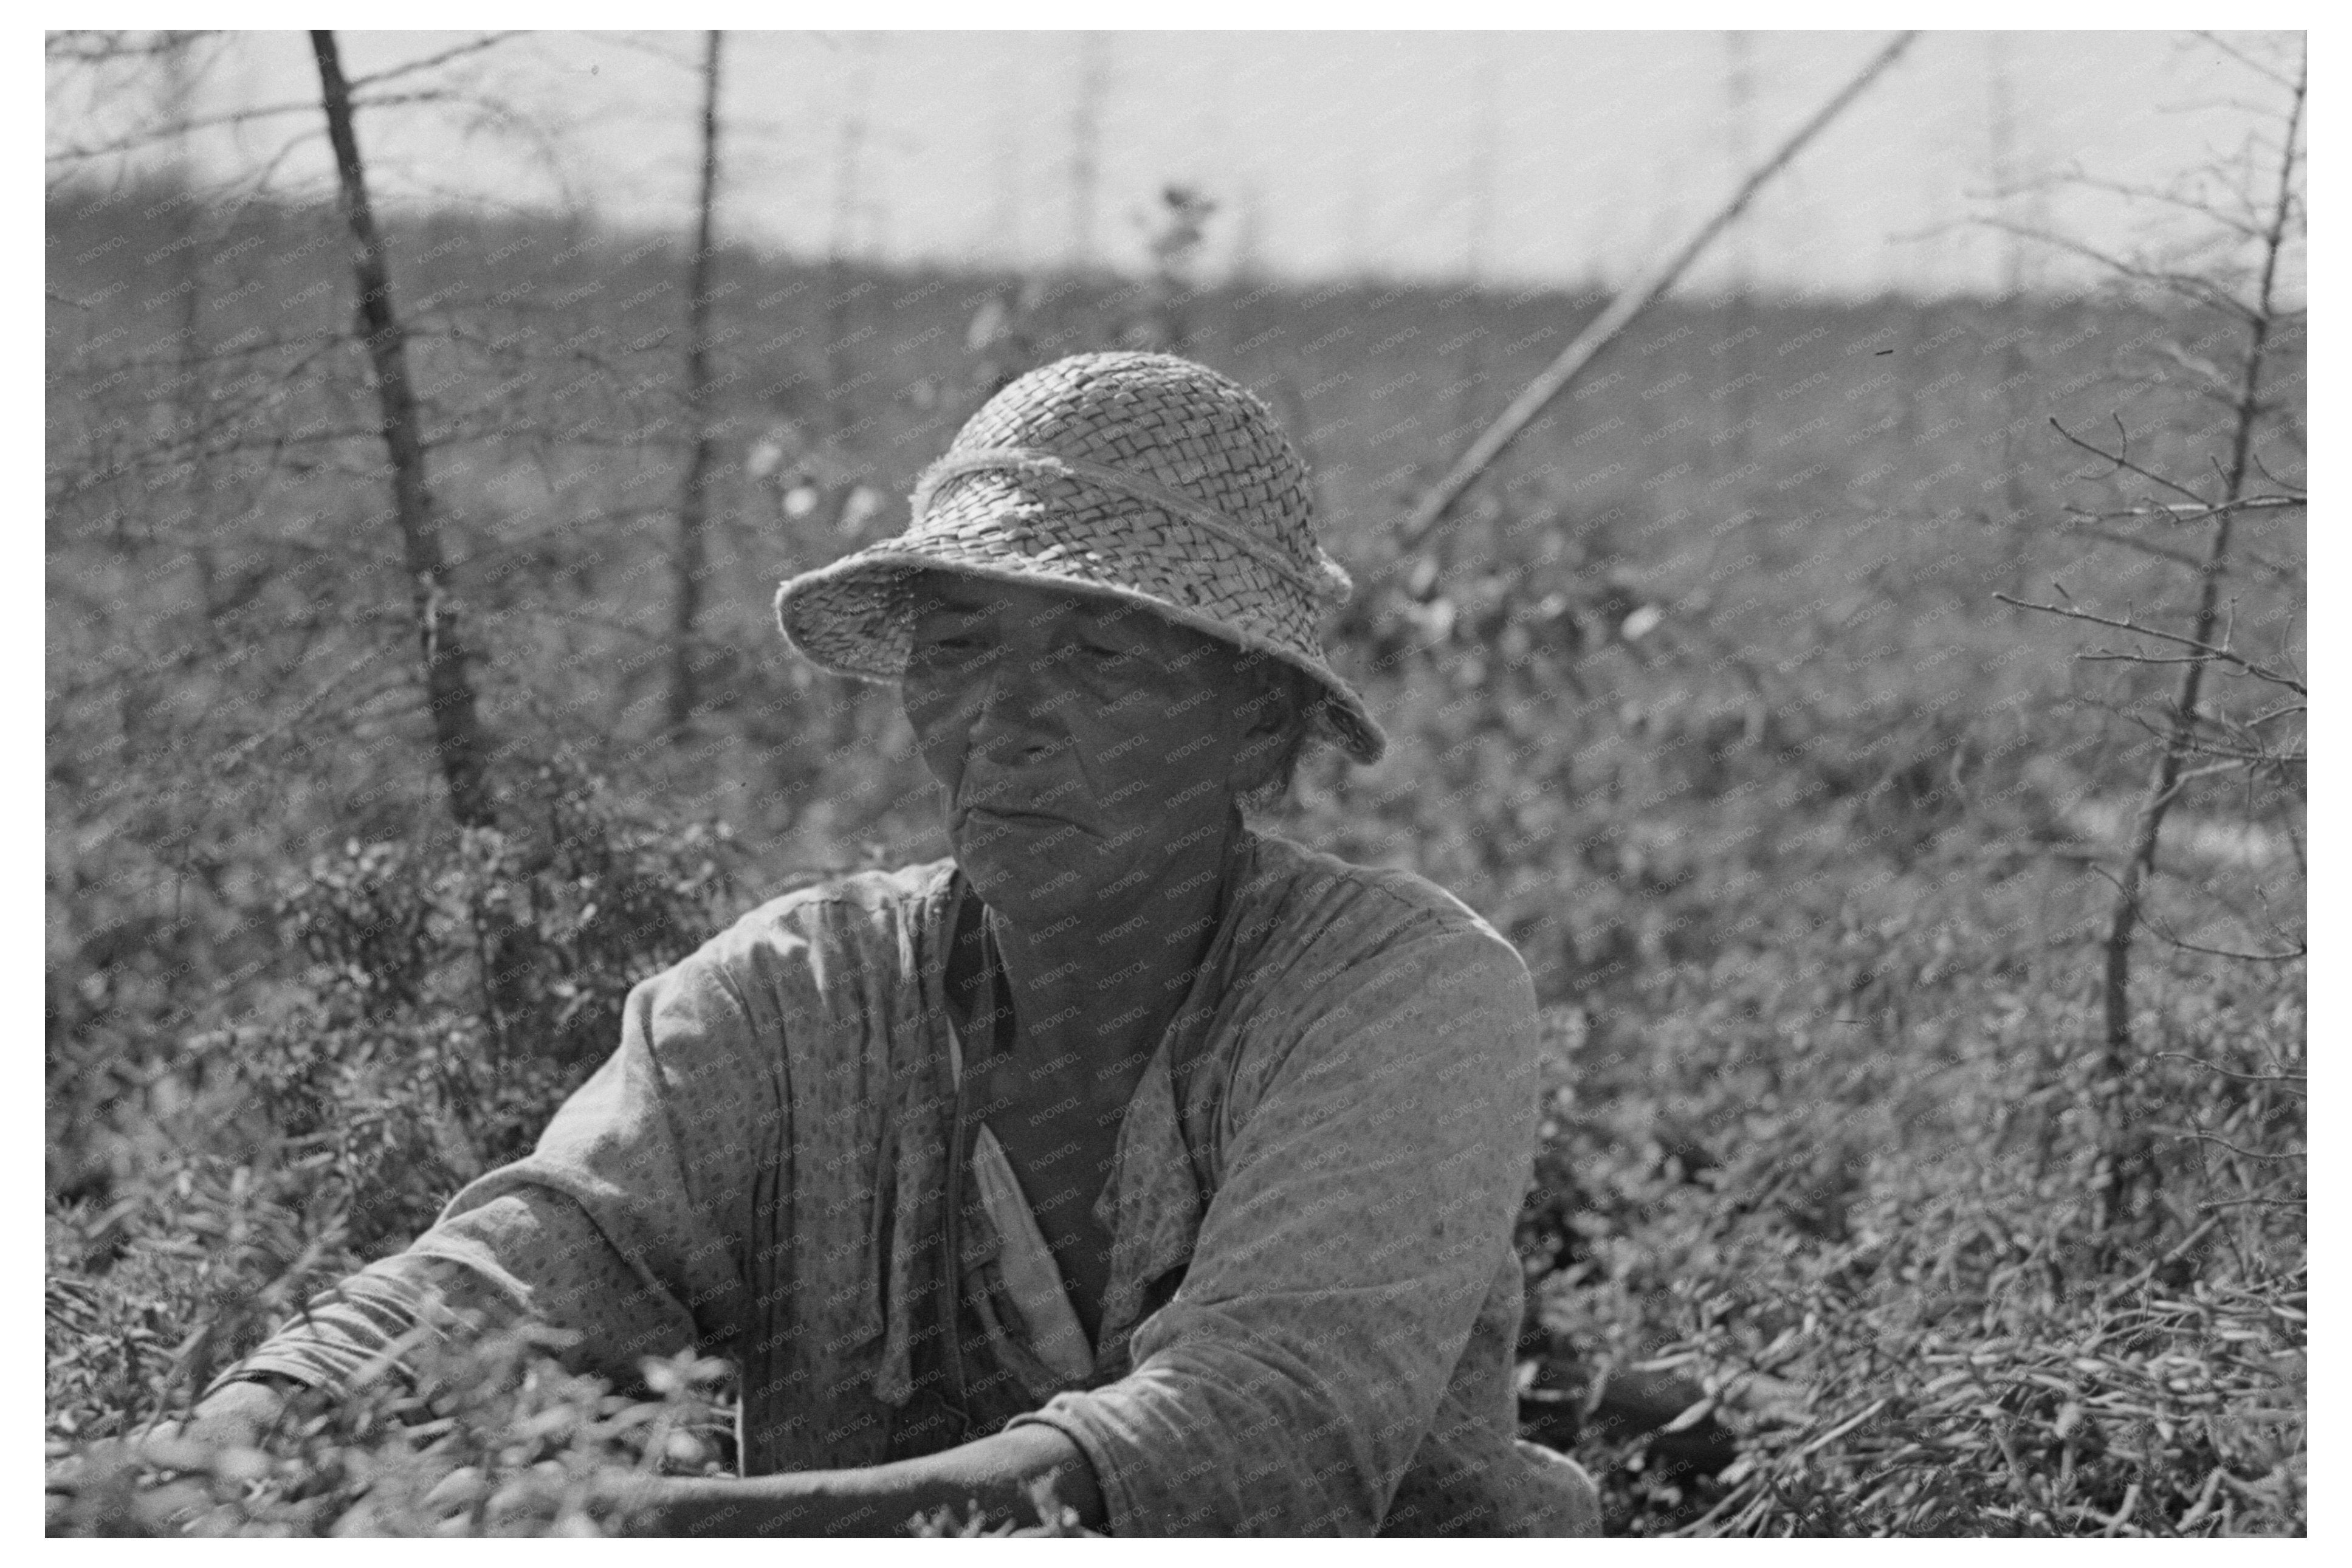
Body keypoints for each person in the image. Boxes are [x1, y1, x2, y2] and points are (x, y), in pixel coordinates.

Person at [177, 351, 1601, 1536]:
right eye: (963, 648)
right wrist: (230, 1446)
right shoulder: (789, 998)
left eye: (1101, 656)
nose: (1006, 722)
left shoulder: (1401, 995)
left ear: (1256, 725)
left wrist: (647, 1527)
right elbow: (523, 1267)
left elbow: (1250, 1442)